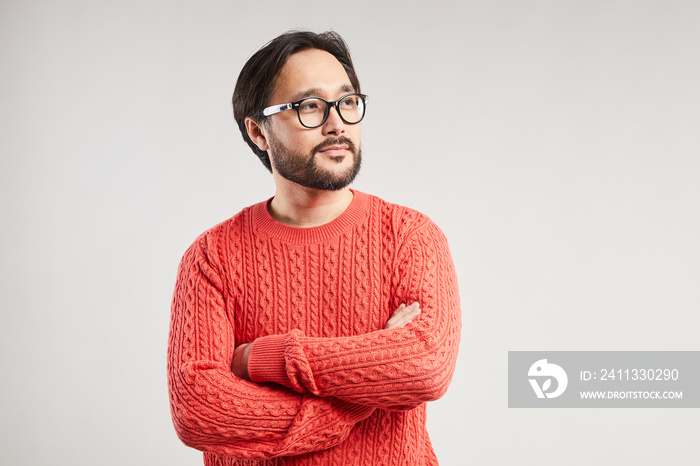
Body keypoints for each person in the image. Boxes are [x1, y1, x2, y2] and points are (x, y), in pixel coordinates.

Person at [167, 30, 461, 466]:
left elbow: (425, 365)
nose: (337, 123)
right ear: (258, 132)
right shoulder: (212, 256)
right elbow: (199, 411)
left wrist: (265, 359)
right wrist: (365, 385)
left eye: (347, 102)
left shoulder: (409, 235)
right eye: (309, 107)